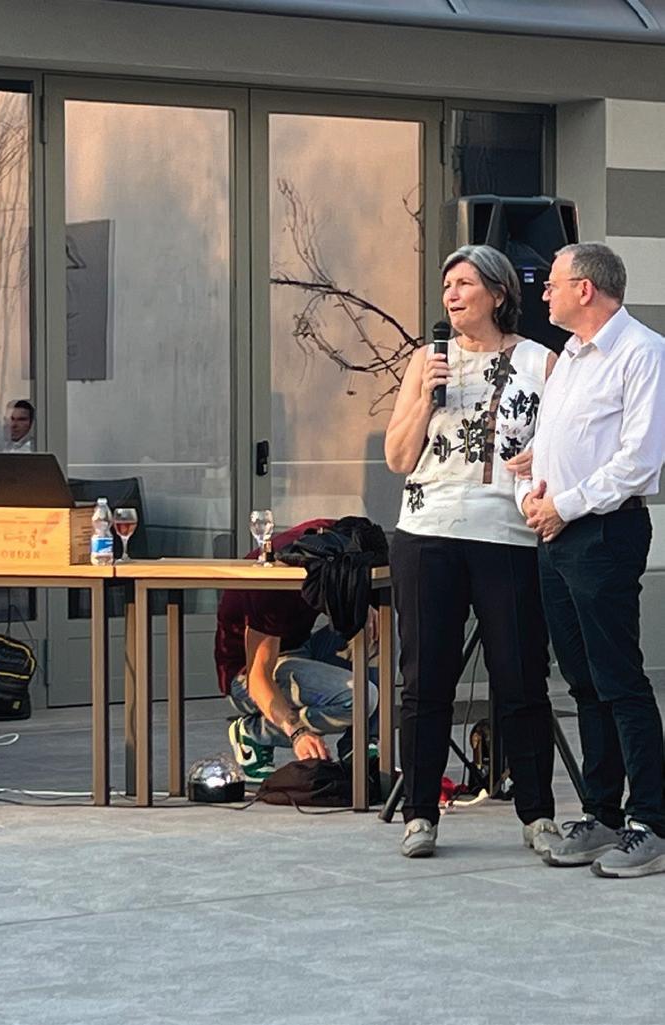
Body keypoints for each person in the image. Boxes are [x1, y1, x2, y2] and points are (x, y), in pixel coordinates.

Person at [385, 244, 558, 859]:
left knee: (520, 677)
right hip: (427, 531)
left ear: (498, 293)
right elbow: (398, 457)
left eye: (464, 283)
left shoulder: (540, 361)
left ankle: (538, 815)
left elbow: (564, 444)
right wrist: (424, 399)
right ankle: (420, 814)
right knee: (425, 680)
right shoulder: (425, 361)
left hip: (505, 534)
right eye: (447, 285)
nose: (452, 295)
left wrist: (545, 459)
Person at [520, 242, 665, 878]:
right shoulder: (570, 358)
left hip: (604, 533)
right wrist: (534, 492)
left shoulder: (642, 352)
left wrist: (566, 504)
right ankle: (602, 813)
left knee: (619, 679)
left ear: (585, 288)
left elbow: (639, 458)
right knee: (581, 681)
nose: (543, 293)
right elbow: (551, 445)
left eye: (552, 283)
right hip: (555, 534)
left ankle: (651, 821)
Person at [218, 519, 384, 782]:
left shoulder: (331, 535)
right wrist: (296, 732)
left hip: (300, 648)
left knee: (380, 626)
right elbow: (258, 677)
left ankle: (360, 744)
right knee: (361, 697)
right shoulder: (274, 583)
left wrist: (365, 601)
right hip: (248, 676)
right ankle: (255, 732)